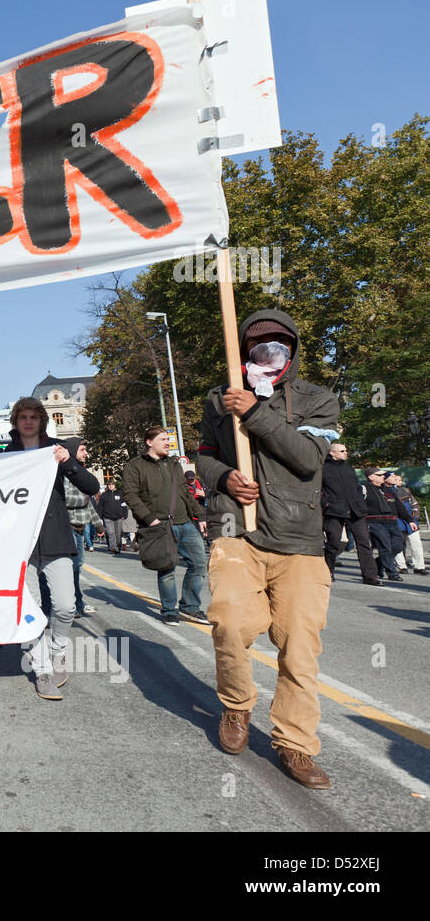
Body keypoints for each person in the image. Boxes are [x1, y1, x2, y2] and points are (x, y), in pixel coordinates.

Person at [197, 310, 339, 789]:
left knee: (299, 646)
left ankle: (295, 744)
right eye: (258, 344)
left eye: (279, 343)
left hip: (299, 540)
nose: (269, 351)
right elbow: (204, 456)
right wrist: (224, 479)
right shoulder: (218, 398)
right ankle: (236, 707)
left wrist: (254, 413)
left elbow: (306, 458)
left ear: (293, 349)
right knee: (231, 624)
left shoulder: (318, 400)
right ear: (243, 351)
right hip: (238, 531)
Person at [3, 397, 99, 700]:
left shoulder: (57, 449)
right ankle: (42, 669)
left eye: (34, 417)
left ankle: (58, 650)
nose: (28, 422)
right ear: (16, 422)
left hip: (56, 536)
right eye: (23, 417)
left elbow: (92, 486)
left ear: (42, 420)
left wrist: (67, 461)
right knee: (28, 610)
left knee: (65, 605)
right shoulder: (6, 454)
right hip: (20, 543)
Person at [121, 427, 210, 626]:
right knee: (166, 568)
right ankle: (169, 610)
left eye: (168, 439)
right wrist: (149, 518)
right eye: (163, 439)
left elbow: (186, 493)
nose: (167, 442)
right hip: (158, 526)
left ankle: (190, 607)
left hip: (185, 522)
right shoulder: (135, 466)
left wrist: (200, 515)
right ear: (149, 442)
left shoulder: (174, 463)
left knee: (199, 564)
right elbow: (131, 495)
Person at [321, 442, 380, 585]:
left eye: (346, 450)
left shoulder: (348, 468)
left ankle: (370, 576)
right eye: (342, 451)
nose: (346, 453)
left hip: (356, 511)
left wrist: (360, 502)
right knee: (333, 543)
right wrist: (326, 503)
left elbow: (356, 487)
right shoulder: (323, 468)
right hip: (335, 511)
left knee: (364, 543)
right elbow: (317, 489)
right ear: (332, 453)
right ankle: (327, 572)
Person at [61, 438, 100, 617]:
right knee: (71, 569)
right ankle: (74, 604)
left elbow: (88, 503)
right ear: (73, 450)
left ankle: (77, 603)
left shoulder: (80, 472)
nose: (86, 453)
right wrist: (83, 499)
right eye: (83, 449)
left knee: (76, 568)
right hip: (68, 526)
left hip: (79, 527)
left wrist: (98, 523)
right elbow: (65, 498)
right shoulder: (66, 472)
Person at [363, 469, 406, 582]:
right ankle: (392, 573)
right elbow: (359, 505)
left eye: (383, 475)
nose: (383, 476)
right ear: (371, 477)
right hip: (375, 522)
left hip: (391, 522)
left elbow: (399, 506)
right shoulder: (364, 489)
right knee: (385, 547)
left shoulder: (388, 490)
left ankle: (379, 562)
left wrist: (409, 520)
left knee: (398, 545)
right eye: (380, 475)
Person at [389, 473, 426, 574]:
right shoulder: (387, 491)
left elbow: (415, 505)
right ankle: (402, 566)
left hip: (411, 522)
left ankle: (419, 566)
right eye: (397, 480)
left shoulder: (406, 491)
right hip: (397, 522)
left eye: (400, 480)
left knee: (416, 544)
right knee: (398, 545)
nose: (400, 482)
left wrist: (415, 519)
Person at [98, 481, 128, 554]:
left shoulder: (119, 494)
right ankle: (113, 548)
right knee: (110, 533)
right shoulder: (104, 495)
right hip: (107, 517)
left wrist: (124, 515)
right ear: (107, 486)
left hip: (118, 517)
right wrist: (100, 516)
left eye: (112, 485)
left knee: (118, 534)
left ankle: (118, 546)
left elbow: (124, 505)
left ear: (115, 486)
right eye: (109, 485)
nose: (111, 486)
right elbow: (100, 506)